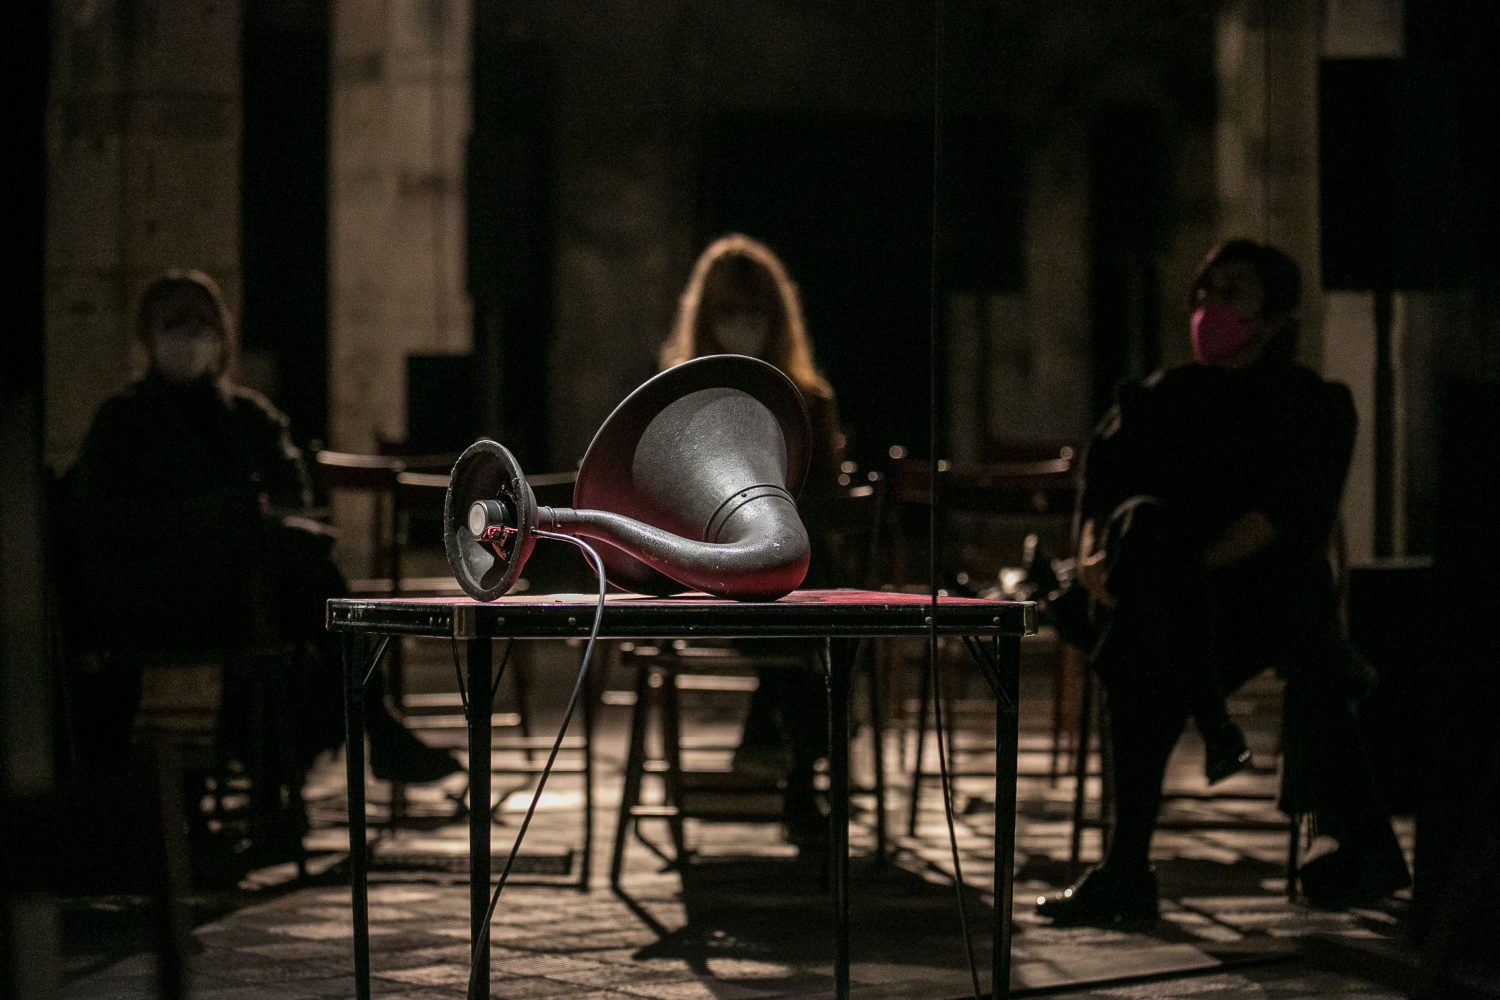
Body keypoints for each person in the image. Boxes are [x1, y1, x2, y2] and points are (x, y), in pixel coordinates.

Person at [1036, 240, 1410, 925]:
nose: (1208, 306)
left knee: (1142, 630)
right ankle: (1214, 730)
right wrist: (1096, 562)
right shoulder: (1156, 398)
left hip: (1256, 602)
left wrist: (1170, 574)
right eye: (1202, 293)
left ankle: (1126, 871)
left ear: (1275, 316)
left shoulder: (1312, 405)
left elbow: (1281, 519)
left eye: (1230, 292)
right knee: (1142, 552)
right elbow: (1100, 500)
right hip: (1148, 598)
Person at [66, 270, 462, 796]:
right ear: (147, 335)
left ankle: (316, 746)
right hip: (160, 597)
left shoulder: (249, 417)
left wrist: (253, 516)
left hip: (248, 594)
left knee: (312, 583)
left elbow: (293, 496)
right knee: (312, 583)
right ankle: (375, 727)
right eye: (175, 321)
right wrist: (202, 518)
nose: (191, 334)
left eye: (203, 321)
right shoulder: (124, 420)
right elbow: (99, 518)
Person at [659, 234, 847, 847]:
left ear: (776, 319)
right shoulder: (680, 398)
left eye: (756, 314)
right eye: (730, 314)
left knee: (822, 609)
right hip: (708, 577)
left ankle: (777, 745)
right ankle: (799, 777)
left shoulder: (808, 402)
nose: (743, 327)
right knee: (812, 633)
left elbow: (824, 502)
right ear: (707, 320)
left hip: (791, 577)